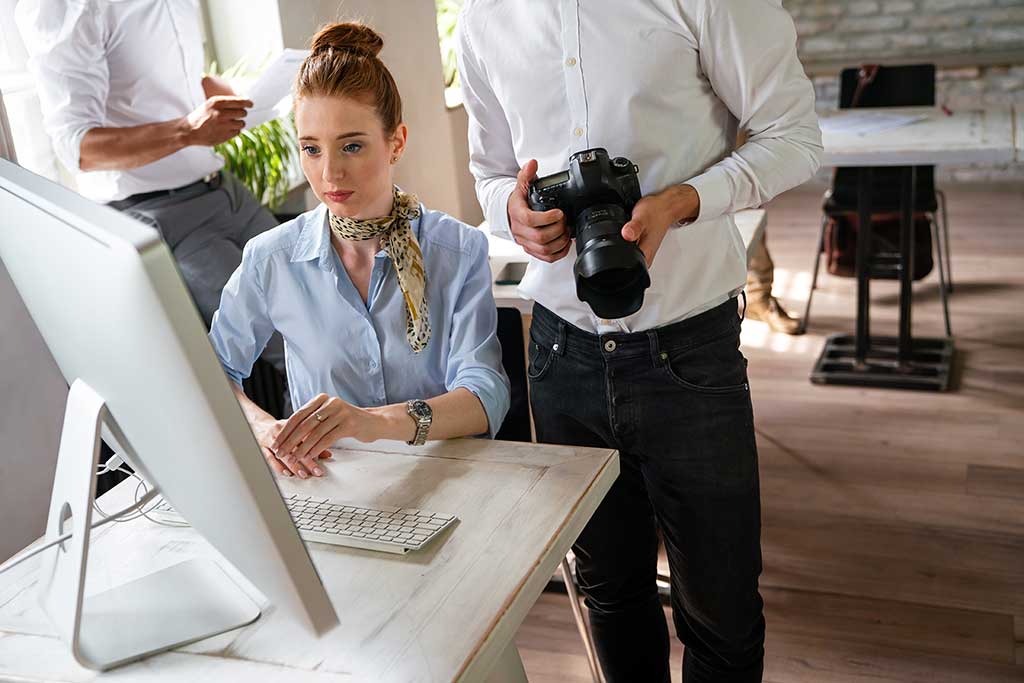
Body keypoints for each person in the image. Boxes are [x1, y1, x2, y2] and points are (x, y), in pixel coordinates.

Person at [457, 2, 822, 681]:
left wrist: (682, 200)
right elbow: (489, 171)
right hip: (561, 355)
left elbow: (794, 136)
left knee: (722, 614)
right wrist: (511, 207)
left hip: (691, 353)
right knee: (611, 595)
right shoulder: (483, 19)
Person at [208, 23, 510, 479]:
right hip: (326, 486)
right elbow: (211, 372)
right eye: (311, 149)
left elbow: (485, 396)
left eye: (351, 146)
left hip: (442, 480)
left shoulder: (458, 250)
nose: (330, 173)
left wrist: (371, 422)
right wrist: (263, 428)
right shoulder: (271, 259)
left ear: (396, 143)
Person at [15, 0, 282, 365]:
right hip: (162, 214)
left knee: (322, 308)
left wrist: (264, 94)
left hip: (224, 189)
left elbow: (184, 83)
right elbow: (79, 148)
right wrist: (188, 131)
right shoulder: (67, 7)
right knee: (286, 343)